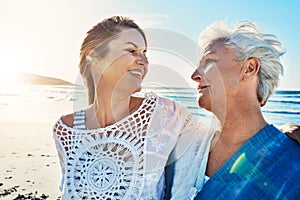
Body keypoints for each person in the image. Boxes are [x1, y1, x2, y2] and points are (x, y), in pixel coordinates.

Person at [52, 16, 216, 199]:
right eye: (132, 50)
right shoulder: (66, 130)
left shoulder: (165, 114)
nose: (144, 61)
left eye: (145, 53)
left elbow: (217, 142)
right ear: (94, 58)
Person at [188, 20, 300, 199]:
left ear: (249, 69)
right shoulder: (185, 148)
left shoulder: (291, 163)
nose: (194, 75)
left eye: (209, 62)